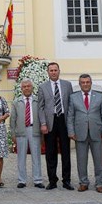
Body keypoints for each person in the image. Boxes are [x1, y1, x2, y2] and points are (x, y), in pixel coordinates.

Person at [67, 74, 102, 193]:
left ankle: (99, 183)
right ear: (79, 84)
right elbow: (70, 116)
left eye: (87, 82)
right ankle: (83, 182)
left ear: (91, 83)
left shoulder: (100, 96)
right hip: (80, 133)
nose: (85, 84)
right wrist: (71, 131)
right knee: (81, 160)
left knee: (98, 160)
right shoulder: (73, 97)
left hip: (97, 133)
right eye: (83, 82)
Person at [38, 62, 74, 190]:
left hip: (63, 120)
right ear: (48, 72)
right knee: (50, 153)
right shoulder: (43, 87)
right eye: (51, 70)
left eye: (55, 70)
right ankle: (52, 180)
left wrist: (71, 123)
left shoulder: (67, 85)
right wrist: (43, 123)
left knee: (65, 152)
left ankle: (66, 180)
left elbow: (71, 105)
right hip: (50, 122)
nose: (53, 72)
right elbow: (40, 107)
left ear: (59, 71)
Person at [10, 78, 44, 189]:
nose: (26, 88)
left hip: (34, 130)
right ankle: (22, 180)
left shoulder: (37, 101)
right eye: (24, 86)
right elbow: (13, 119)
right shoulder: (16, 102)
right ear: (21, 88)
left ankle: (38, 179)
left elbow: (41, 116)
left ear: (32, 87)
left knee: (36, 156)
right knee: (21, 157)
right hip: (21, 131)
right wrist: (13, 134)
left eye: (28, 86)